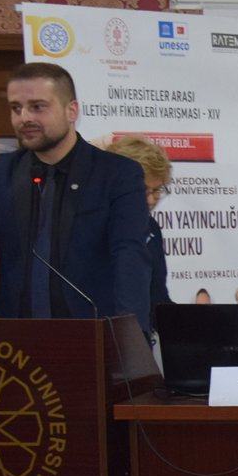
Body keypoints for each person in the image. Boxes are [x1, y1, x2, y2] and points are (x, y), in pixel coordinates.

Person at [0, 62, 152, 334]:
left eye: (38, 107)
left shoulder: (116, 174)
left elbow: (129, 255)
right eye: (16, 108)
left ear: (71, 111)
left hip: (92, 336)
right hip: (14, 344)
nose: (24, 118)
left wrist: (130, 339)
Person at [102, 133, 174, 330]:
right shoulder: (93, 225)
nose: (150, 200)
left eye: (157, 190)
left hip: (139, 339)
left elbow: (158, 299)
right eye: (143, 190)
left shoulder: (151, 228)